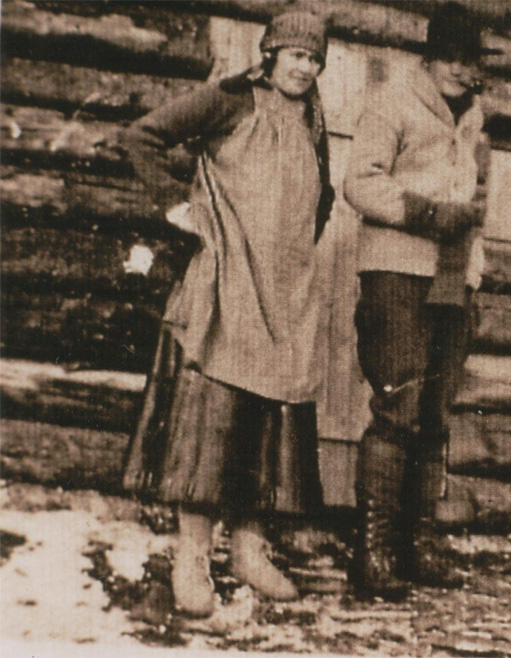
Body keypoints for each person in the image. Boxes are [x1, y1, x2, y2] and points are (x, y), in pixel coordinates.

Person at [120, 9, 335, 617]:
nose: (306, 66)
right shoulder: (230, 100)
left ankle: (248, 550)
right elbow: (142, 137)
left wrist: (291, 252)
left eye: (315, 58)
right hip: (228, 286)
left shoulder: (314, 117)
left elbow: (325, 197)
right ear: (271, 53)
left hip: (285, 296)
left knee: (267, 426)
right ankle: (192, 559)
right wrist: (177, 208)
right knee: (211, 426)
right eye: (296, 55)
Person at [342, 2, 499, 601]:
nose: (462, 70)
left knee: (434, 419)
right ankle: (373, 552)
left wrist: (473, 271)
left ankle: (419, 542)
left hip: (453, 279)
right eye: (452, 58)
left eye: (471, 60)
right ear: (430, 58)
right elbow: (359, 181)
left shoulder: (473, 115)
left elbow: (470, 198)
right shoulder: (393, 102)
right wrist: (428, 214)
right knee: (397, 411)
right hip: (398, 274)